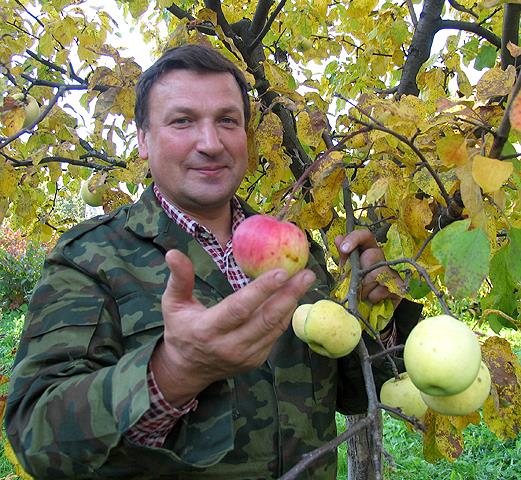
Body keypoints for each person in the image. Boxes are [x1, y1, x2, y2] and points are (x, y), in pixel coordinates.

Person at [5, 44, 422, 479]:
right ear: (143, 141)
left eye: (227, 120)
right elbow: (36, 439)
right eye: (183, 121)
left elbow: (354, 391)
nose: (211, 143)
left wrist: (378, 305)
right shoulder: (89, 258)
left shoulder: (295, 248)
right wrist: (171, 373)